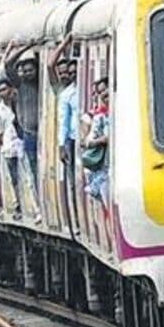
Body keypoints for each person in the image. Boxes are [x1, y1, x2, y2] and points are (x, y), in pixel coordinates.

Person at [0, 74, 37, 222]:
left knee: (29, 177)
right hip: (9, 147)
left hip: (23, 143)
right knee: (13, 178)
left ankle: (34, 208)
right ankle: (18, 207)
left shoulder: (20, 103)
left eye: (5, 89)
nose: (4, 93)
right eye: (0, 90)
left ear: (11, 89)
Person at [55, 54, 79, 225]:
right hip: (73, 139)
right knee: (73, 179)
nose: (72, 75)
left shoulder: (89, 90)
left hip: (88, 138)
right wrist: (61, 145)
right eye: (69, 73)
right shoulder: (67, 94)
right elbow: (63, 121)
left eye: (74, 71)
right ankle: (76, 216)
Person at [83, 75, 110, 203]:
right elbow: (87, 142)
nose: (104, 94)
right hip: (104, 167)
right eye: (100, 92)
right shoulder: (99, 117)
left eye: (106, 89)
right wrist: (102, 140)